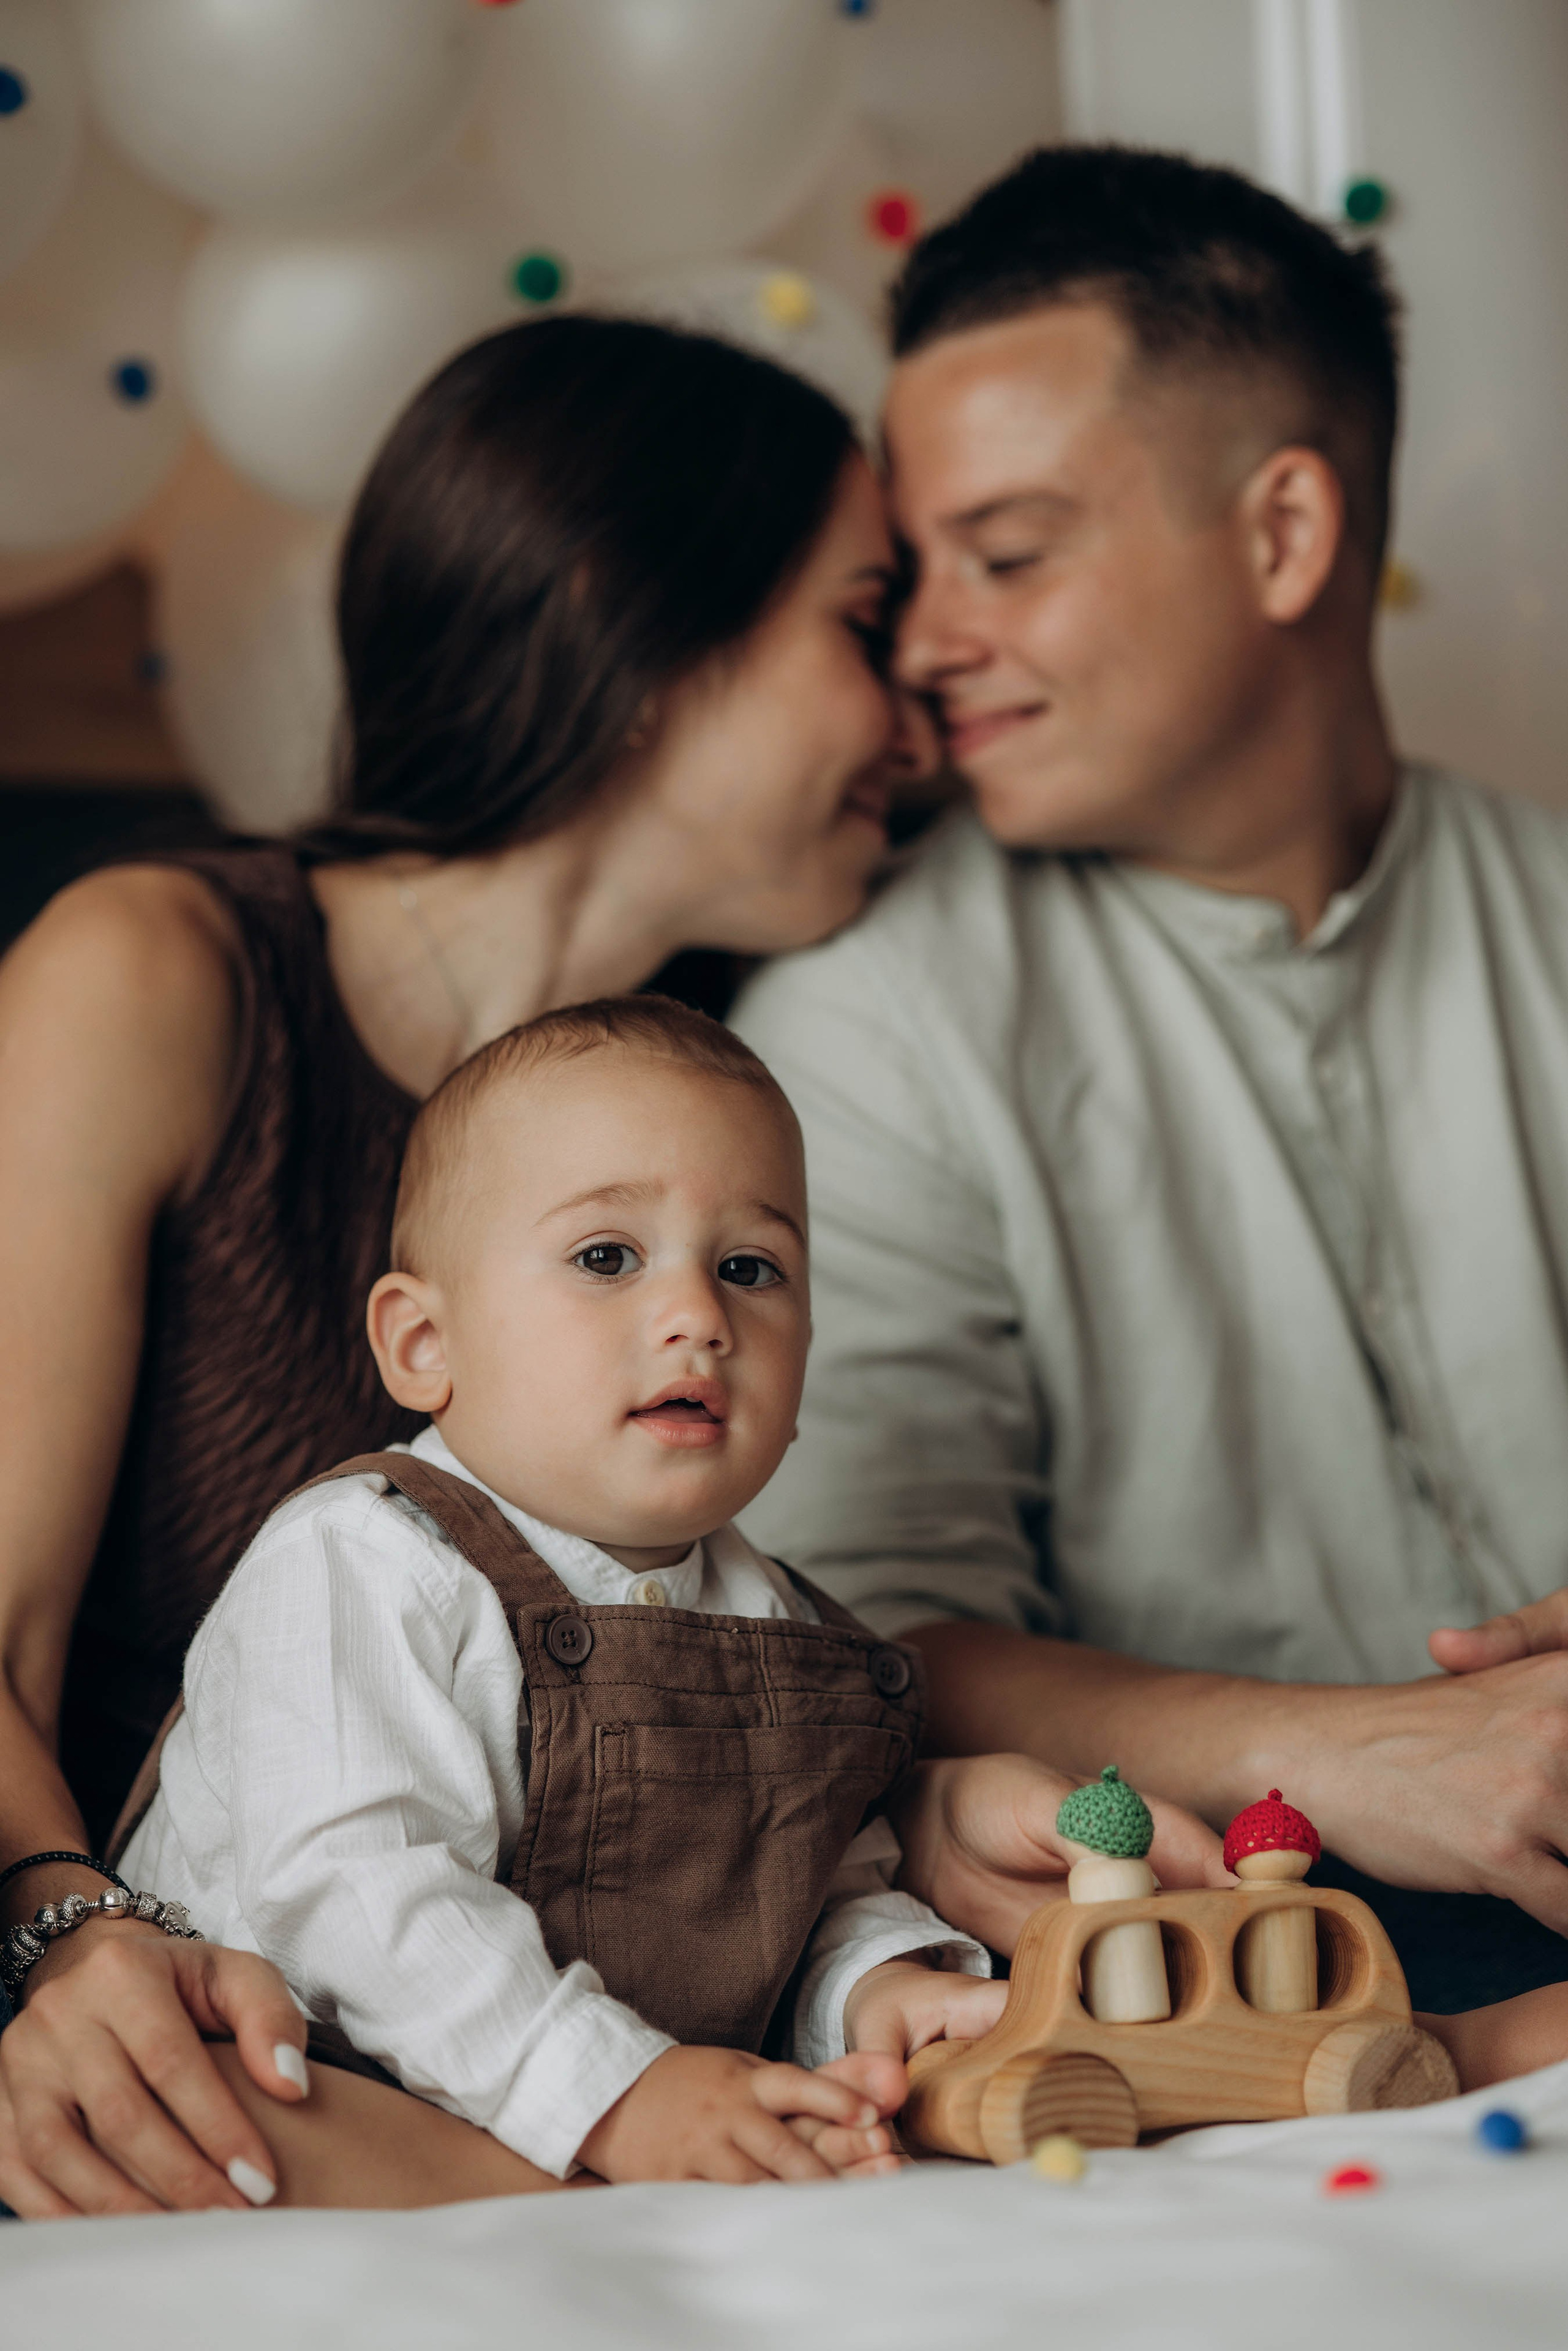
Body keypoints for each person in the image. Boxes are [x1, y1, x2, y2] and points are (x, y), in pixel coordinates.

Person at [2, 313, 1197, 2221]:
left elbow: (758, 1721)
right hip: (193, 2003)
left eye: (745, 1269)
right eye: (859, 618)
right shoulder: (160, 971)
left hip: (592, 2038)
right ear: (631, 618)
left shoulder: (746, 1087)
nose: (913, 719)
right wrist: (58, 1940)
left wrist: (898, 1901)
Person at [733, 144, 1568, 2010]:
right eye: (914, 573)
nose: (931, 646)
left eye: (1008, 554)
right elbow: (845, 1625)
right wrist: (1348, 1748)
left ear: (1284, 533)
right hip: (1222, 1967)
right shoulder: (863, 1022)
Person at [78, 997, 1008, 2205]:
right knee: (217, 2102)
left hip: (603, 2102)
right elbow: (361, 1891)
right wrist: (618, 2090)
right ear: (422, 1342)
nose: (697, 1317)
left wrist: (881, 1993)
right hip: (326, 2069)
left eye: (749, 1267)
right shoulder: (362, 1558)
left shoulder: (772, 1618)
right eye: (605, 1256)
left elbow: (810, 1889)